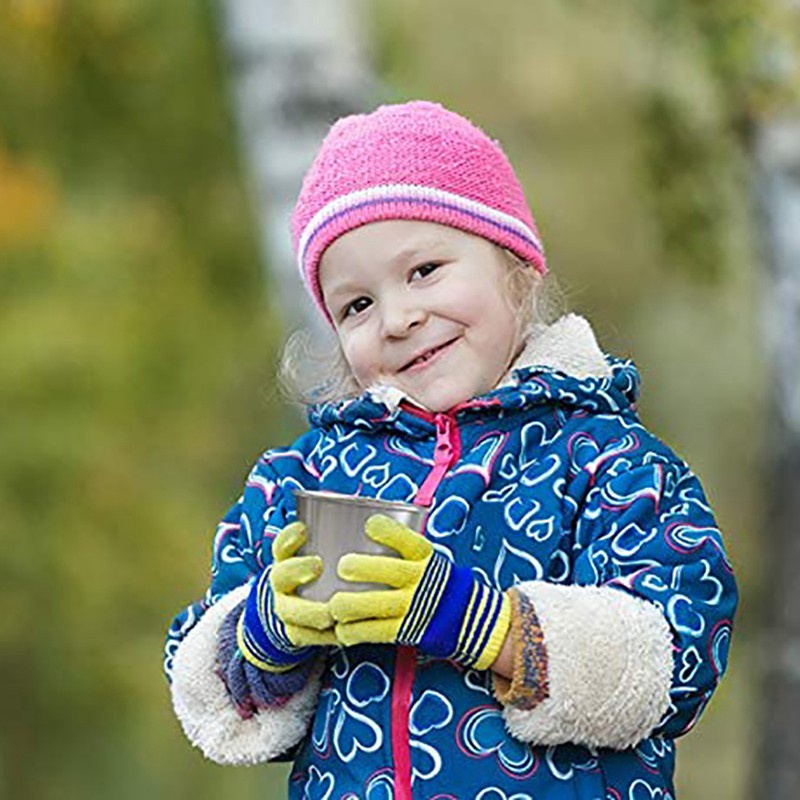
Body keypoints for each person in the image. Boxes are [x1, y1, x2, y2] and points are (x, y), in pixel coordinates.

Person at [164, 100, 737, 799]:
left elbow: (671, 661)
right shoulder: (305, 478)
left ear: (515, 264)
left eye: (425, 269)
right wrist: (266, 633)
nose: (399, 318)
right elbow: (216, 695)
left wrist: (485, 623)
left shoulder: (608, 462)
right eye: (357, 306)